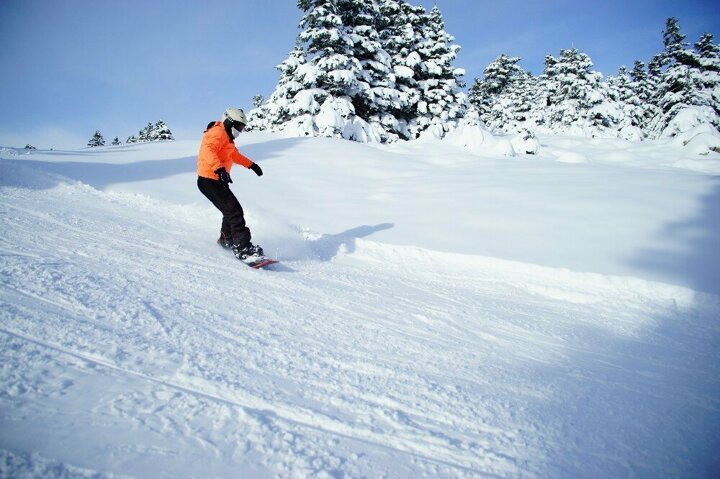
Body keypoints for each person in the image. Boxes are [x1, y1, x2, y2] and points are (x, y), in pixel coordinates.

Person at [197, 107, 264, 260]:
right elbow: (207, 150)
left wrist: (251, 165)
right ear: (228, 122)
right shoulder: (217, 133)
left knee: (230, 211)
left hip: (216, 180)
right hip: (209, 180)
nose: (240, 131)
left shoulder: (227, 138)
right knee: (235, 212)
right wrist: (219, 169)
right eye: (238, 127)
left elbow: (234, 155)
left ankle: (226, 239)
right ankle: (243, 248)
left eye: (242, 128)